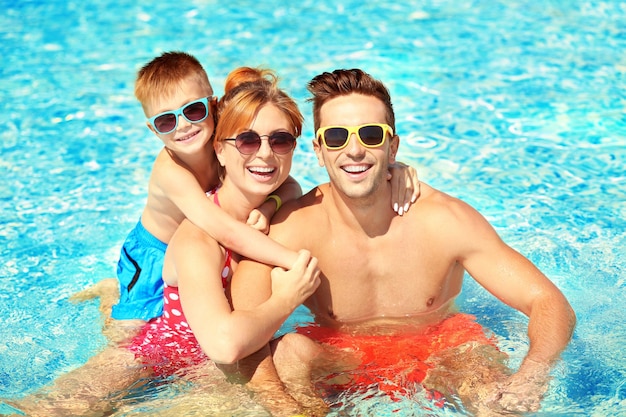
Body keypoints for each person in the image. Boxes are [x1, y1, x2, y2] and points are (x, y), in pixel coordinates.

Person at [230, 68, 577, 415]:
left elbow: (548, 301)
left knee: (488, 382)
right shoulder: (291, 228)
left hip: (441, 347)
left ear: (392, 146)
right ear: (320, 151)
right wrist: (283, 407)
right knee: (289, 352)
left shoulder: (444, 221)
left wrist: (532, 376)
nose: (354, 150)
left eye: (370, 134)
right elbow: (246, 337)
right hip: (338, 356)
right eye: (336, 137)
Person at [5, 67, 320, 417]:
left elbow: (300, 188)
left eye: (280, 140)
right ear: (220, 150)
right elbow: (225, 345)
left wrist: (392, 173)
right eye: (247, 140)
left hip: (210, 360)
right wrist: (289, 294)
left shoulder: (279, 204)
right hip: (161, 350)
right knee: (57, 408)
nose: (264, 154)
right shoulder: (197, 233)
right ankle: (112, 294)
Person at [94, 52, 420, 340]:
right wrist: (294, 262)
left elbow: (290, 185)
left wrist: (392, 166)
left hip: (196, 248)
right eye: (166, 120)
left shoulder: (226, 140)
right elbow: (225, 229)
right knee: (128, 334)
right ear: (154, 130)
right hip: (152, 251)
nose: (183, 126)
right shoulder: (172, 169)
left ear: (213, 106)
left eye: (193, 111)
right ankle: (108, 298)